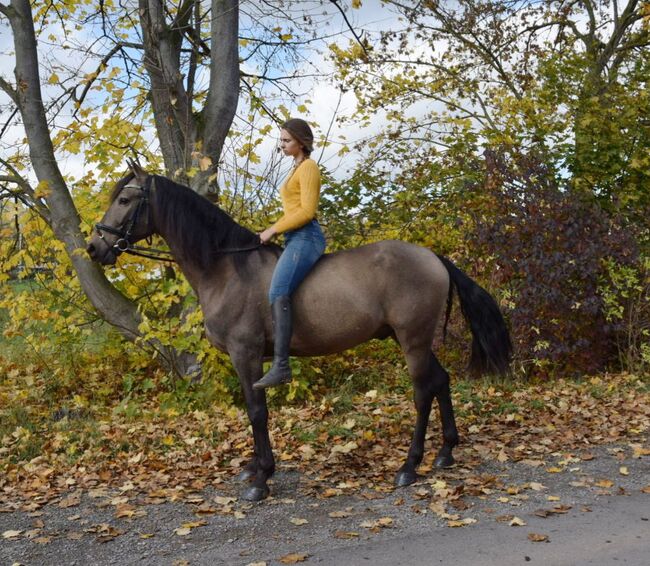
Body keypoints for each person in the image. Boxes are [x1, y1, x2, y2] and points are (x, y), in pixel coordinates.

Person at [253, 118, 326, 390]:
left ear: (301, 142)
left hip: (306, 237)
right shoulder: (295, 169)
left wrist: (272, 230)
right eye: (281, 140)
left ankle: (281, 366)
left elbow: (306, 211)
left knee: (277, 290)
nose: (281, 145)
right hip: (294, 236)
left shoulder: (308, 168)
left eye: (286, 140)